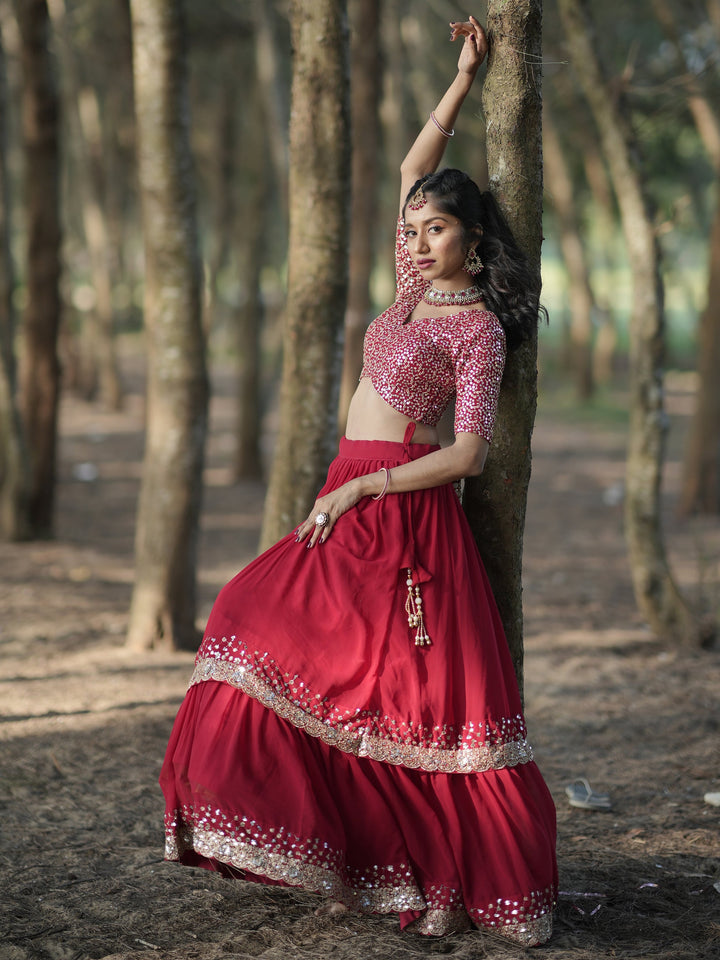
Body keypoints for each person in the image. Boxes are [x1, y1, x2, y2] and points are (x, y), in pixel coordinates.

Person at [160, 15, 558, 947]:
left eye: (437, 228)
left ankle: (446, 884)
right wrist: (460, 81)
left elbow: (467, 458)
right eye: (413, 227)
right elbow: (420, 161)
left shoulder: (475, 330)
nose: (418, 240)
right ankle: (355, 854)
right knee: (260, 636)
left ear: (472, 237)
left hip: (403, 516)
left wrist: (365, 492)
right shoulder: (411, 287)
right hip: (349, 490)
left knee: (414, 708)